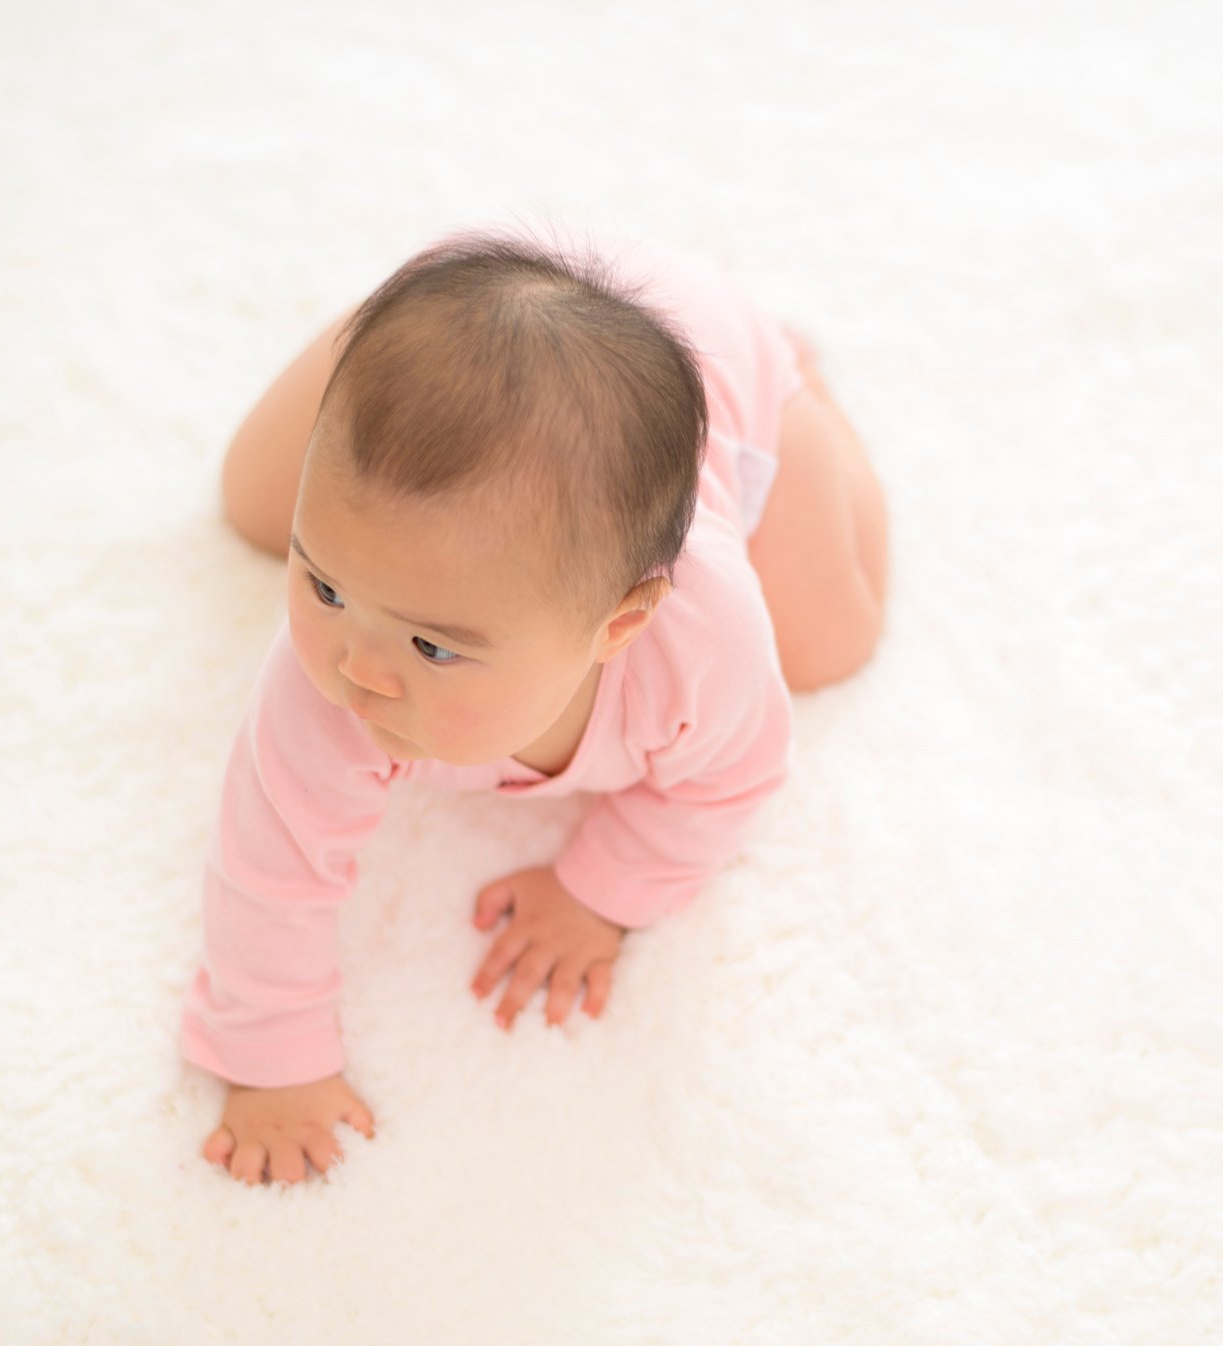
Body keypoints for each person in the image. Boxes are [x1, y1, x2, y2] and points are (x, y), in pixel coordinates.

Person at [185, 221, 890, 1186]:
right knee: (248, 501)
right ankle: (398, 338)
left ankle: (810, 395)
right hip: (509, 340)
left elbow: (735, 778)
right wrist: (270, 1059)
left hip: (722, 362)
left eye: (435, 647)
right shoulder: (331, 666)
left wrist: (603, 891)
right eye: (326, 586)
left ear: (619, 623)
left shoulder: (704, 642)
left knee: (833, 644)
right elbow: (268, 862)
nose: (361, 669)